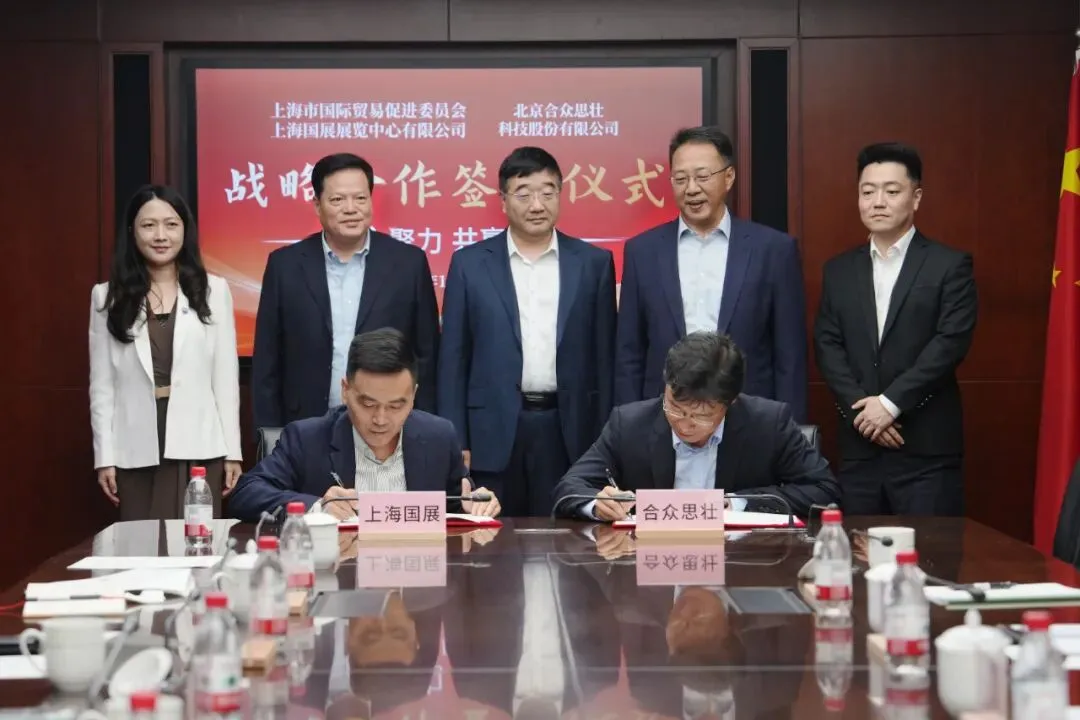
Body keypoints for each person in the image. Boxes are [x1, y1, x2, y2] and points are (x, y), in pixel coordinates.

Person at [437, 146, 617, 516]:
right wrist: (457, 439)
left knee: (569, 534)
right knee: (490, 535)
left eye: (548, 193)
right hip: (491, 429)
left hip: (569, 429)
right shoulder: (470, 264)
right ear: (503, 201)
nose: (537, 205)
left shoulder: (593, 264)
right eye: (524, 194)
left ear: (560, 195)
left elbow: (605, 360)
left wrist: (606, 440)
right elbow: (453, 359)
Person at [814, 142, 977, 515]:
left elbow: (950, 344)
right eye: (867, 192)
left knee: (929, 551)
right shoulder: (838, 270)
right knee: (857, 550)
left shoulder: (949, 265)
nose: (877, 202)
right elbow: (827, 344)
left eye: (891, 191)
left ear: (916, 197)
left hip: (925, 451)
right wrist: (863, 414)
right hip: (860, 449)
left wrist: (889, 405)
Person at [614, 126, 808, 421]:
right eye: (681, 179)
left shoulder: (774, 250)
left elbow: (789, 355)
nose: (691, 189)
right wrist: (629, 425)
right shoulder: (642, 252)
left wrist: (789, 429)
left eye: (702, 176)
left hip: (749, 416)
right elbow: (629, 353)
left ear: (728, 177)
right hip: (665, 416)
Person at [553, 331, 839, 521]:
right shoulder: (629, 424)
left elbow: (824, 490)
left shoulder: (768, 423)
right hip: (650, 568)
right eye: (674, 408)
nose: (685, 424)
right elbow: (570, 487)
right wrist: (597, 504)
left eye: (702, 416)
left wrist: (737, 503)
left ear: (731, 402)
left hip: (740, 566)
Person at [252, 152, 440, 432]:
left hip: (388, 425)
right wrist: (268, 431)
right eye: (338, 200)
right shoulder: (285, 265)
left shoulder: (408, 263)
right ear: (317, 205)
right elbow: (267, 358)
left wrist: (424, 428)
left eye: (360, 198)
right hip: (305, 425)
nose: (351, 209)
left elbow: (426, 355)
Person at [230, 328, 500, 522]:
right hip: (340, 576)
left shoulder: (439, 437)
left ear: (413, 396)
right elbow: (246, 494)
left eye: (396, 406)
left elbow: (460, 501)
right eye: (368, 404)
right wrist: (319, 507)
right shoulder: (308, 438)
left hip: (415, 576)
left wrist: (477, 504)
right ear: (345, 390)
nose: (381, 419)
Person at [89, 185, 242, 520]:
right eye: (149, 225)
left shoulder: (214, 291)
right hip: (135, 442)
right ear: (132, 231)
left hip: (199, 440)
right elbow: (102, 387)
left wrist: (233, 452)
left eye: (171, 225)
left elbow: (225, 379)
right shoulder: (106, 297)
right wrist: (105, 456)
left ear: (185, 230)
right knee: (139, 541)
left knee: (197, 539)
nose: (161, 235)